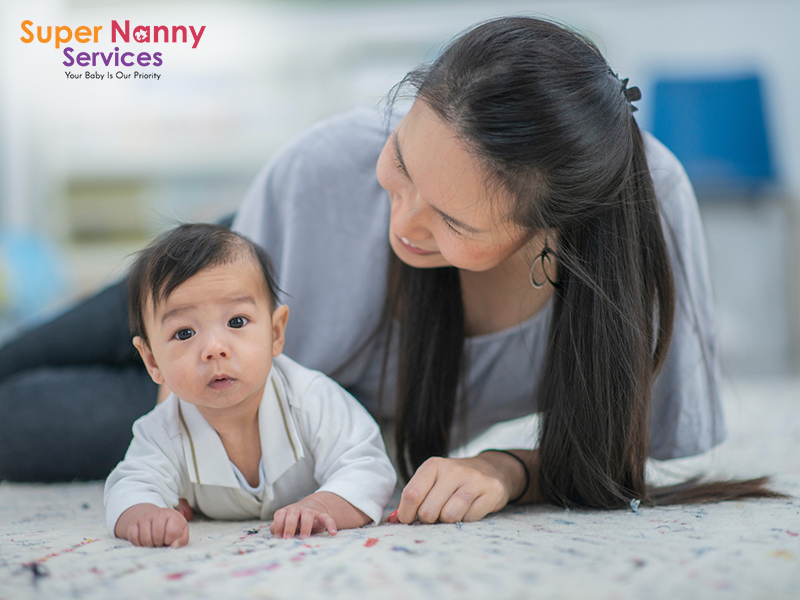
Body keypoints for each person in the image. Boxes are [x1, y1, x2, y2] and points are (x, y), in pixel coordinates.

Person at [0, 17, 778, 521]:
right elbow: (237, 319)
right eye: (402, 163)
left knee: (21, 427)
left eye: (454, 220)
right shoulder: (324, 170)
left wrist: (512, 469)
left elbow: (635, 445)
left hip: (298, 415)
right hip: (246, 277)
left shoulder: (648, 210)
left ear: (554, 232)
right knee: (21, 356)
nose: (403, 225)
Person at [104, 224, 396, 546]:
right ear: (153, 361)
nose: (215, 348)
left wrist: (322, 504)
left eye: (237, 322)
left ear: (275, 333)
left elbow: (368, 464)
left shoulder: (311, 398)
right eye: (184, 333)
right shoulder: (162, 429)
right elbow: (130, 484)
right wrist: (145, 514)